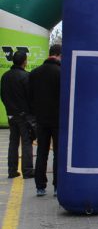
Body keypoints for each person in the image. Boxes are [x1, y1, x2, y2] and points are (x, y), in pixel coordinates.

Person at [29, 44, 61, 197]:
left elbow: (29, 97)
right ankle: (57, 186)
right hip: (58, 119)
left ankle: (40, 186)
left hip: (40, 120)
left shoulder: (35, 73)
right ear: (59, 55)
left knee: (42, 152)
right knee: (58, 153)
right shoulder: (61, 73)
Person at [0, 50, 34, 179]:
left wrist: (9, 109)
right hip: (24, 115)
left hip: (11, 114)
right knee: (26, 141)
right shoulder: (26, 76)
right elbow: (30, 97)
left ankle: (12, 170)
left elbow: (2, 95)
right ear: (24, 61)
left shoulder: (5, 76)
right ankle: (27, 170)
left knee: (13, 142)